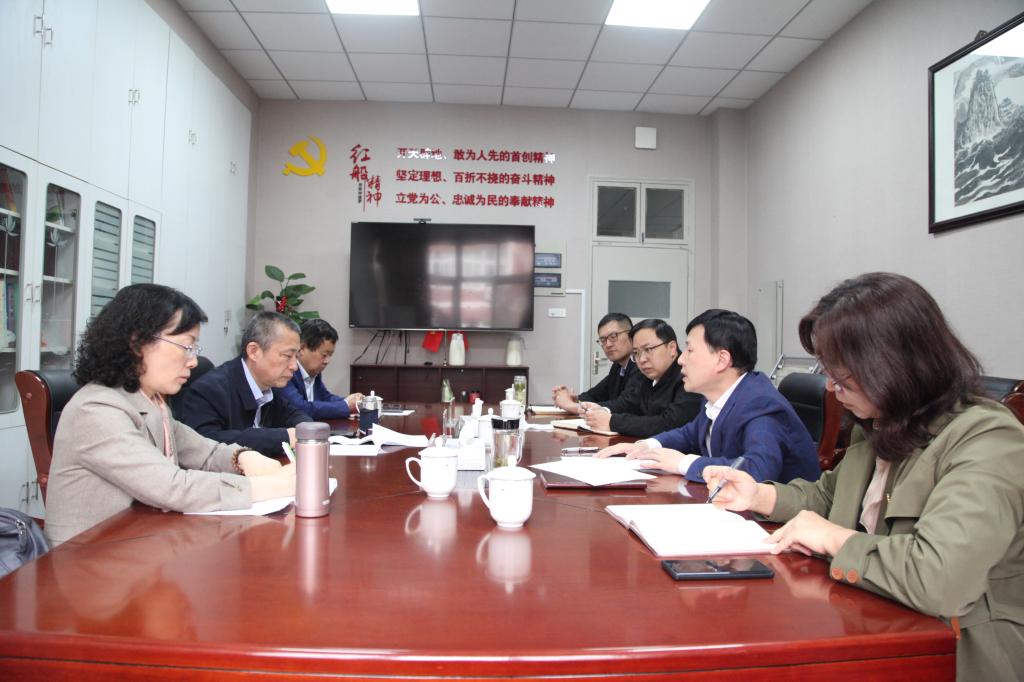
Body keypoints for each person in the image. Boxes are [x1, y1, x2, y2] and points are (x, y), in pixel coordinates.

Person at [702, 273, 1024, 681]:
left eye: (843, 375)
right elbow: (827, 497)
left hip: (954, 653)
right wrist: (758, 497)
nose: (831, 387)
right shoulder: (878, 425)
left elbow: (939, 579)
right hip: (870, 622)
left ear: (895, 361)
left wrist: (834, 538)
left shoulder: (986, 438)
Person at [44, 284, 295, 547]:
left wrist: (242, 457)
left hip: (142, 543)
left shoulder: (151, 402)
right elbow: (173, 487)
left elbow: (204, 452)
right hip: (89, 558)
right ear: (137, 343)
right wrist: (274, 486)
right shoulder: (95, 410)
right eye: (186, 346)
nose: (193, 361)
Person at [599, 309, 820, 483]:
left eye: (690, 350)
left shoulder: (760, 403)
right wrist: (648, 445)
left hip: (775, 522)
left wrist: (684, 463)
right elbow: (689, 434)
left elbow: (756, 471)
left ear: (721, 360)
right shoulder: (715, 396)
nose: (681, 360)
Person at [181, 311, 311, 457]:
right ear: (254, 351)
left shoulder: (269, 385)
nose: (294, 366)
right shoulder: (209, 390)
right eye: (287, 356)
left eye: (296, 357)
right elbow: (205, 443)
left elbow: (294, 414)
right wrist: (284, 436)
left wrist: (306, 429)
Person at [580, 318, 701, 438]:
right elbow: (631, 405)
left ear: (672, 348)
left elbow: (669, 423)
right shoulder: (648, 376)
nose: (642, 359)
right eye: (636, 353)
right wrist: (603, 411)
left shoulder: (689, 377)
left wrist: (613, 422)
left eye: (648, 349)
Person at [551, 313, 641, 414]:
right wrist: (575, 399)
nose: (608, 344)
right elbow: (594, 395)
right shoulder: (617, 366)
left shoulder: (641, 365)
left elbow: (626, 405)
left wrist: (572, 406)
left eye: (613, 336)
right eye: (603, 340)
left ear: (631, 335)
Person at [281, 318, 363, 420]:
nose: (327, 361)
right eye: (324, 355)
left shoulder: (314, 371)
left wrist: (351, 401)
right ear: (301, 349)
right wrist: (346, 406)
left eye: (330, 355)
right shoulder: (286, 372)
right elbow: (300, 408)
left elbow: (325, 397)